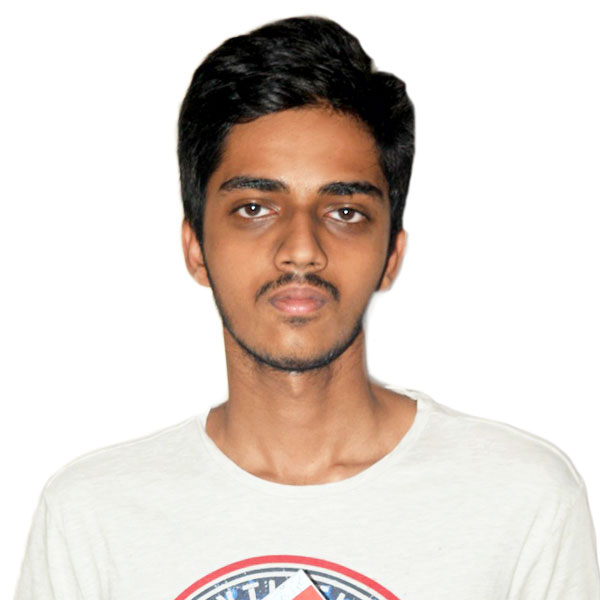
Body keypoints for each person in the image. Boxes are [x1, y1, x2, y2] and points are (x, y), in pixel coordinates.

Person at [15, 15, 600, 600]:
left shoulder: (522, 500)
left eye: (345, 212)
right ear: (195, 248)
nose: (301, 248)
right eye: (254, 208)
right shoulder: (92, 515)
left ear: (391, 255)